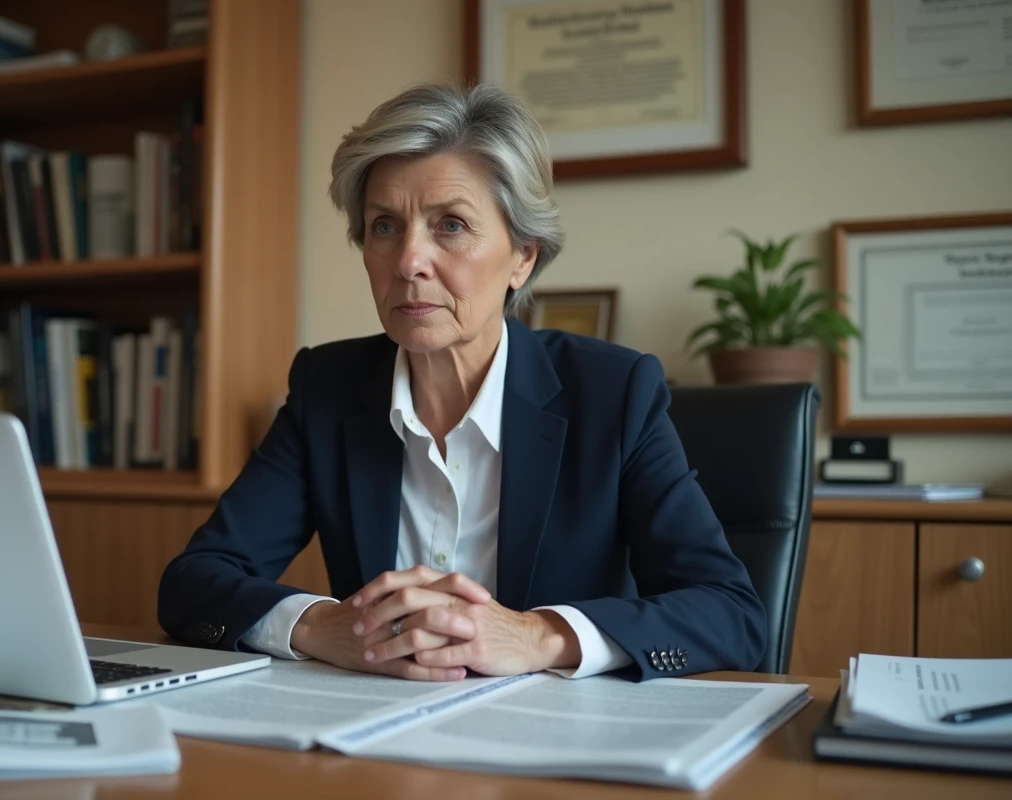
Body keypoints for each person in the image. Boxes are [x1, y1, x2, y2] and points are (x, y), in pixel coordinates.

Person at [158, 83, 766, 682]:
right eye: (384, 226)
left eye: (450, 225)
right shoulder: (328, 387)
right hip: (370, 737)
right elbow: (195, 580)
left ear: (523, 256)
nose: (408, 260)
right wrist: (319, 626)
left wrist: (539, 636)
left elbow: (729, 611)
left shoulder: (615, 393)